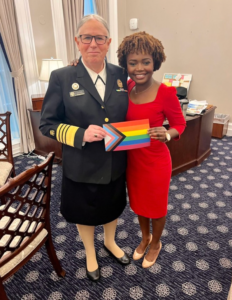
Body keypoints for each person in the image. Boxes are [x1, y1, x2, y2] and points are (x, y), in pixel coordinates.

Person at [39, 14, 130, 282]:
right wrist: (80, 133)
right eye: (86, 37)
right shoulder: (62, 77)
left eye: (99, 38)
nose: (93, 43)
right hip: (81, 163)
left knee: (113, 206)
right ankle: (90, 251)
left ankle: (110, 242)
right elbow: (47, 124)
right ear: (77, 42)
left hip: (115, 161)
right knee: (85, 211)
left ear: (108, 42)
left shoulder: (121, 75)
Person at [117, 31, 186, 268]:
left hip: (156, 161)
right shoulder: (125, 87)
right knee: (138, 203)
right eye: (133, 62)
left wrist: (167, 134)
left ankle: (155, 242)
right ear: (125, 64)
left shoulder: (166, 92)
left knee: (156, 206)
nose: (139, 68)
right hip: (133, 159)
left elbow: (180, 124)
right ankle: (144, 237)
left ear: (155, 62)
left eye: (145, 62)